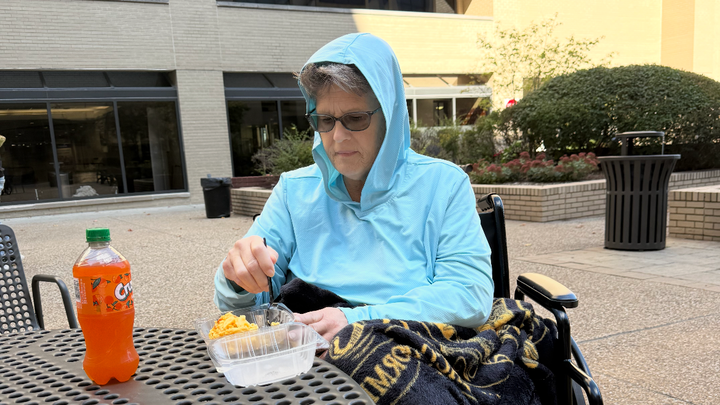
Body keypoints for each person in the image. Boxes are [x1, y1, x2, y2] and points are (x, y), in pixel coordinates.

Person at [214, 33, 494, 342]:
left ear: (389, 117)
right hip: (309, 360)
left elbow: (468, 294)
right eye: (325, 119)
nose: (337, 136)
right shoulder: (293, 192)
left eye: (356, 118)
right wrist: (239, 279)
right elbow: (247, 305)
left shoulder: (444, 185)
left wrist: (355, 320)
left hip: (410, 350)